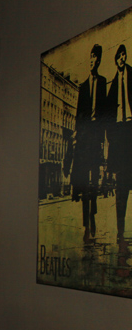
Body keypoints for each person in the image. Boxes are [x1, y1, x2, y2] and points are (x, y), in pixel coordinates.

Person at [72, 44, 108, 244]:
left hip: (96, 139)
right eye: (91, 56)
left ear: (99, 60)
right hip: (84, 142)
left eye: (96, 57)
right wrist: (77, 136)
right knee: (86, 184)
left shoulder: (102, 83)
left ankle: (92, 217)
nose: (93, 60)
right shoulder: (83, 87)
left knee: (93, 183)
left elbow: (104, 113)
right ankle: (87, 225)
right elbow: (79, 115)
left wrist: (102, 139)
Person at [108, 44, 132, 254]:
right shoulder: (113, 83)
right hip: (119, 136)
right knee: (121, 188)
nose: (121, 58)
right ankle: (121, 231)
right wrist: (112, 139)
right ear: (116, 59)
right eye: (119, 56)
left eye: (124, 55)